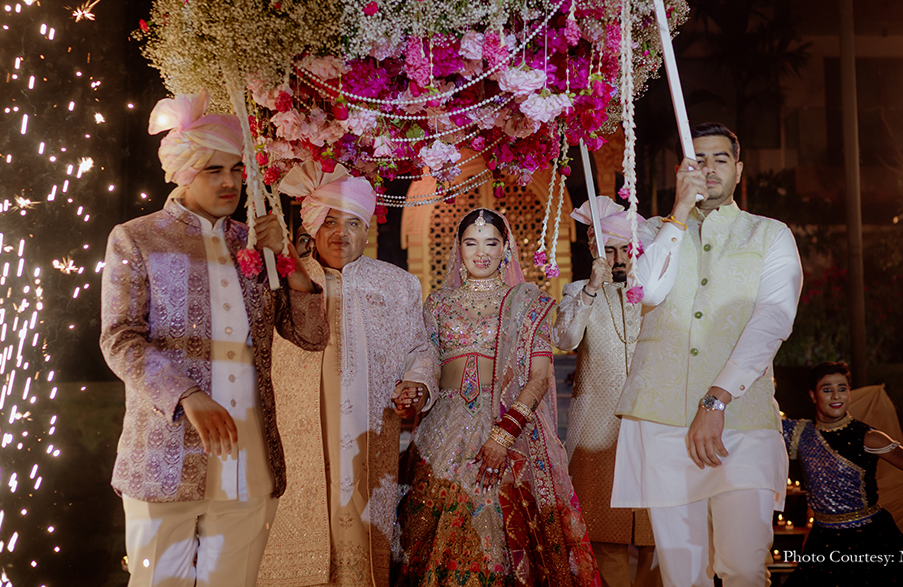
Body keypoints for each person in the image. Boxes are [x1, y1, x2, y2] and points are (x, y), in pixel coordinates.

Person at [100, 92, 328, 587]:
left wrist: (289, 262)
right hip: (166, 455)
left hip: (249, 455)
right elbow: (120, 339)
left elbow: (312, 337)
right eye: (213, 170)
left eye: (236, 170)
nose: (230, 182)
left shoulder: (254, 241)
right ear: (184, 173)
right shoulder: (137, 238)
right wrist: (186, 394)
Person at [612, 122, 803, 587]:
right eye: (698, 160)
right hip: (662, 425)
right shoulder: (653, 231)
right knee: (682, 577)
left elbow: (773, 320)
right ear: (682, 171)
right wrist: (679, 211)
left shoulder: (770, 234)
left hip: (741, 420)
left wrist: (717, 398)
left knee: (744, 569)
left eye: (721, 158)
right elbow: (646, 292)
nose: (710, 168)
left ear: (739, 168)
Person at [395, 207, 601, 587]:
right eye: (471, 243)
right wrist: (416, 388)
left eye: (491, 243)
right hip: (443, 430)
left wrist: (503, 435)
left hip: (507, 425)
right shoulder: (438, 304)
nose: (481, 252)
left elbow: (539, 378)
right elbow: (427, 364)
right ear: (458, 248)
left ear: (505, 248)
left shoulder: (528, 303)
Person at [258, 161, 438, 587]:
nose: (342, 233)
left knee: (362, 529)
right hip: (296, 430)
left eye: (353, 223)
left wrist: (416, 383)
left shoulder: (398, 285)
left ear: (367, 231)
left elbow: (421, 349)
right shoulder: (284, 280)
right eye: (331, 222)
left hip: (369, 430)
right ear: (313, 226)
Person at [553, 197, 661, 587]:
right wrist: (592, 289)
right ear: (593, 250)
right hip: (596, 431)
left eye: (625, 249)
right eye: (608, 250)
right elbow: (564, 338)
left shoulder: (656, 292)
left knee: (656, 537)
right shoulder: (578, 291)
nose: (617, 259)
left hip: (652, 425)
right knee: (602, 534)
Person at [782, 362, 903, 587]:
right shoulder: (800, 433)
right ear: (813, 395)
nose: (836, 396)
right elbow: (759, 427)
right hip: (823, 540)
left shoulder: (867, 436)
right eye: (827, 389)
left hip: (869, 537)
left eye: (842, 388)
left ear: (849, 393)